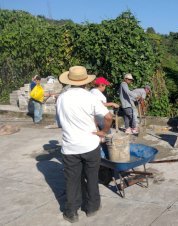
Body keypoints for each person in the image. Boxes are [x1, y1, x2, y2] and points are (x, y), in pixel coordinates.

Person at [56, 66, 112, 223]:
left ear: (70, 81)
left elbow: (60, 123)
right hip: (90, 145)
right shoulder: (90, 97)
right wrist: (104, 132)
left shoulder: (61, 98)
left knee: (72, 180)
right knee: (92, 176)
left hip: (69, 147)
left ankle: (71, 212)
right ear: (85, 82)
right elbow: (108, 117)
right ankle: (92, 207)